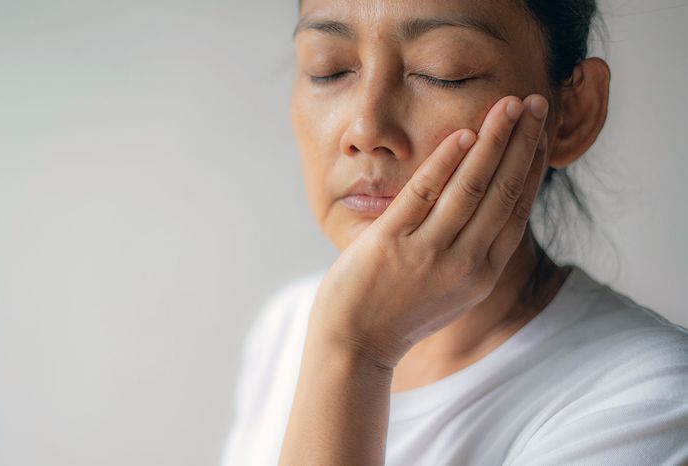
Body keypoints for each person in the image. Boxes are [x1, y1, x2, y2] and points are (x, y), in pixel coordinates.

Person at [221, 0, 688, 465]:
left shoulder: (649, 399)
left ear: (573, 114)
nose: (365, 129)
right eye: (329, 69)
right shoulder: (288, 326)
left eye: (443, 72)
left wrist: (354, 351)